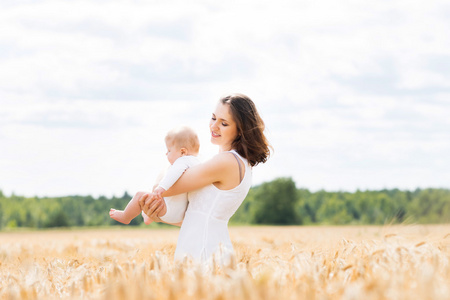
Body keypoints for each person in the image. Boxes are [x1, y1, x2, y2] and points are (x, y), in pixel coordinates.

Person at [139, 93, 271, 262]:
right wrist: (160, 214)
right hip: (200, 247)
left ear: (240, 130)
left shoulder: (227, 161)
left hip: (205, 251)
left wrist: (176, 162)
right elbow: (196, 216)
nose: (214, 126)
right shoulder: (235, 161)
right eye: (213, 118)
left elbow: (168, 188)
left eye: (223, 123)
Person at [109, 126, 201, 225]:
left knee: (140, 195)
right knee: (149, 197)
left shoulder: (182, 161)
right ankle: (147, 217)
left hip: (169, 210)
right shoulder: (197, 163)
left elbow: (172, 175)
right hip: (181, 214)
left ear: (183, 152)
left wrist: (161, 188)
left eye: (169, 150)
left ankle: (125, 216)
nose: (166, 154)